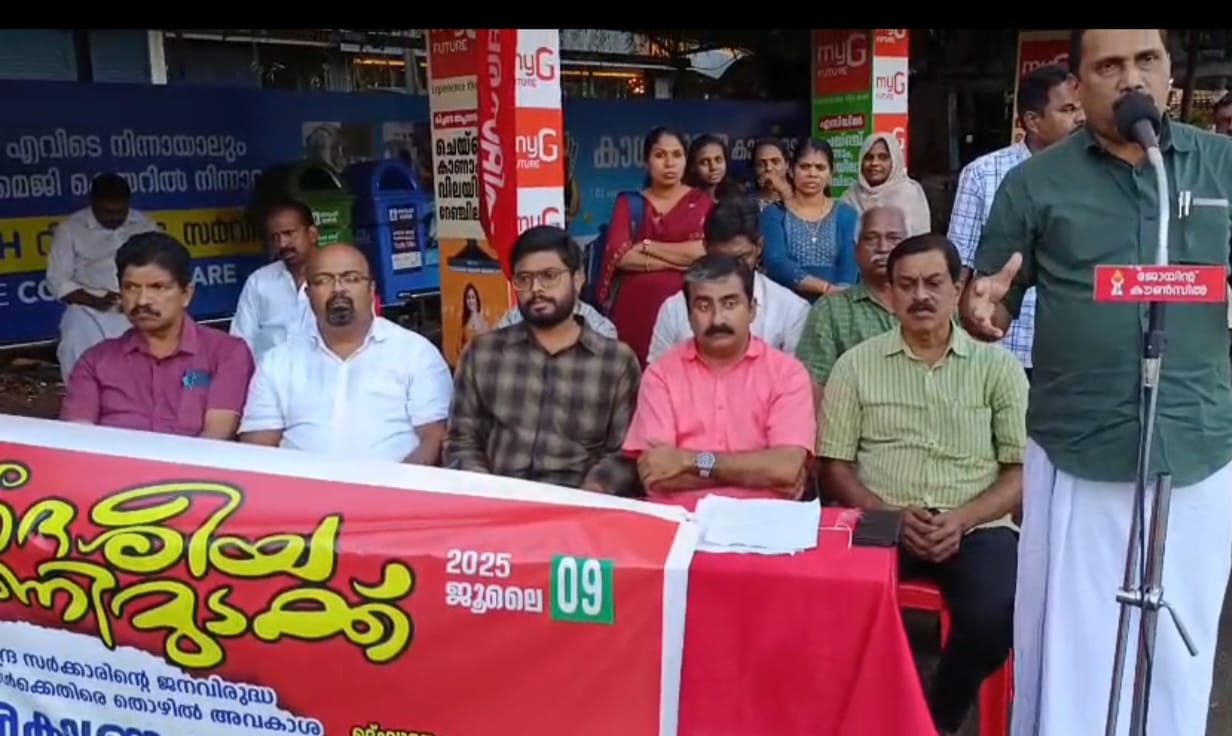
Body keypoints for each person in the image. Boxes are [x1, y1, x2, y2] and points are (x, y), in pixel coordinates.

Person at [962, 29, 1232, 736]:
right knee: (1076, 653)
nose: (1131, 78)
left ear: (1169, 72)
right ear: (1078, 88)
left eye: (1146, 60)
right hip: (1079, 446)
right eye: (1109, 65)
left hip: (1196, 443)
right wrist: (981, 309)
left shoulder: (1220, 167)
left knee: (1175, 657)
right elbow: (990, 298)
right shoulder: (1036, 183)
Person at [820, 234, 1026, 735]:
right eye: (907, 285)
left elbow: (1021, 470)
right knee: (831, 602)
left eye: (934, 283)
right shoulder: (856, 366)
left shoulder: (998, 368)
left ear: (959, 288)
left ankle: (934, 715)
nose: (920, 296)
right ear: (889, 293)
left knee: (997, 613)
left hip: (975, 523)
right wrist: (886, 513)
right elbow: (834, 466)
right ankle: (852, 714)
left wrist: (962, 518)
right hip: (880, 518)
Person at [445, 226, 640, 493]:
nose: (536, 288)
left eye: (549, 276)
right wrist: (487, 490)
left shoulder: (615, 362)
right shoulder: (482, 354)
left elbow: (623, 455)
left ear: (578, 279)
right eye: (523, 279)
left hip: (578, 503)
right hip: (497, 499)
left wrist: (591, 493)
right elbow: (461, 443)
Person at [623, 254, 816, 510]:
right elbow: (657, 475)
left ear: (752, 310)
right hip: (680, 521)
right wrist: (759, 472)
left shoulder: (787, 374)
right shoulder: (661, 375)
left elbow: (786, 470)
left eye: (730, 304)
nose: (717, 319)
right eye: (704, 306)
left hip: (766, 521)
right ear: (689, 315)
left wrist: (689, 462)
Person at [239, 243, 452, 464]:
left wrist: (396, 484)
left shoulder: (416, 353)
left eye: (351, 278)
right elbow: (258, 446)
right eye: (323, 280)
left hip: (393, 483)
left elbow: (434, 438)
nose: (338, 289)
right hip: (301, 485)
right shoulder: (277, 362)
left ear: (371, 290)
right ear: (308, 295)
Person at [948, 64, 1085, 379]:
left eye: (1081, 108)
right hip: (1000, 346)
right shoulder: (984, 174)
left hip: (1070, 352)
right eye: (1067, 110)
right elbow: (959, 265)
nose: (1080, 118)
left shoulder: (1095, 175)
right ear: (1033, 121)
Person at [60, 232, 254, 439]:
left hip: (196, 461)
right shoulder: (95, 362)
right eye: (131, 288)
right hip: (113, 461)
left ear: (186, 294)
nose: (142, 300)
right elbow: (77, 440)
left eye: (157, 287)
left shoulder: (226, 353)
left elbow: (216, 438)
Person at [595, 127, 713, 365]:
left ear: (686, 161)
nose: (669, 163)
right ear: (646, 162)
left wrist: (648, 246)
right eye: (660, 155)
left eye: (677, 155)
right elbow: (621, 256)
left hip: (687, 312)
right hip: (634, 313)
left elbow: (703, 253)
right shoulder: (629, 203)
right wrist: (679, 260)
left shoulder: (701, 202)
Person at [647, 195, 808, 364]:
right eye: (722, 259)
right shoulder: (674, 309)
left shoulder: (791, 309)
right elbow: (658, 373)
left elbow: (795, 375)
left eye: (741, 259)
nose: (731, 270)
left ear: (759, 247)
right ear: (706, 248)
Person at [46, 173, 160, 382]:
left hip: (138, 304)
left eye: (121, 212)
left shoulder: (144, 225)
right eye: (108, 212)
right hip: (88, 308)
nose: (115, 218)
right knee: (76, 348)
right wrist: (96, 301)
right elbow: (57, 280)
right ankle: (85, 400)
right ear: (93, 203)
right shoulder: (70, 229)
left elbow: (163, 268)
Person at [795, 206, 907, 393]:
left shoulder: (930, 305)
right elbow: (812, 385)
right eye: (871, 238)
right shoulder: (831, 310)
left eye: (893, 238)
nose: (882, 248)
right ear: (856, 251)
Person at [761, 138, 861, 301]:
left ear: (831, 173)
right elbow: (776, 262)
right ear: (791, 171)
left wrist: (837, 299)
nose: (812, 174)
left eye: (820, 167)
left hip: (837, 304)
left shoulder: (846, 214)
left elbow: (849, 266)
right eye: (805, 167)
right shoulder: (774, 214)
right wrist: (825, 288)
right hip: (786, 306)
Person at [230, 198, 318, 360]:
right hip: (269, 375)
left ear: (312, 234)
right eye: (274, 237)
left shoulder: (336, 277)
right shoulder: (259, 282)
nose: (282, 243)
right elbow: (241, 343)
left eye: (288, 233)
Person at [840, 132, 932, 236]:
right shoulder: (851, 196)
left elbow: (919, 240)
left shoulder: (909, 194)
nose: (874, 163)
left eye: (883, 157)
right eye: (869, 157)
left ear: (894, 160)